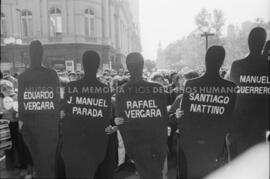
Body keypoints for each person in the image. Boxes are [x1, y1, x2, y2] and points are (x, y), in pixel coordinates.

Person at [180, 46, 237, 178]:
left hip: (192, 143)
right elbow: (229, 119)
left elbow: (183, 116)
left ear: (205, 60)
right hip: (214, 144)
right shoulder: (230, 88)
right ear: (222, 62)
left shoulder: (191, 84)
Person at [115, 52, 168, 179]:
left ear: (127, 67)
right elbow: (163, 120)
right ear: (143, 66)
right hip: (155, 145)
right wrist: (162, 145)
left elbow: (121, 123)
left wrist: (129, 149)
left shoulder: (122, 91)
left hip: (137, 145)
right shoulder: (157, 89)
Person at [62, 50, 112, 179]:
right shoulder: (105, 89)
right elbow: (107, 117)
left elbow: (65, 112)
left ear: (83, 65)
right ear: (98, 66)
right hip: (95, 144)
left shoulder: (71, 87)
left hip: (73, 143)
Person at [18, 40, 60, 178]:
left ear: (29, 55)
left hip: (32, 129)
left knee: (39, 164)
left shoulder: (23, 77)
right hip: (50, 129)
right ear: (42, 54)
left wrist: (23, 127)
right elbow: (56, 102)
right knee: (49, 164)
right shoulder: (52, 74)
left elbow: (22, 105)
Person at [230, 27, 269, 156]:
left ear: (248, 42)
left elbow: (232, 96)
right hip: (262, 126)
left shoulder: (237, 65)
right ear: (263, 43)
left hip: (239, 125)